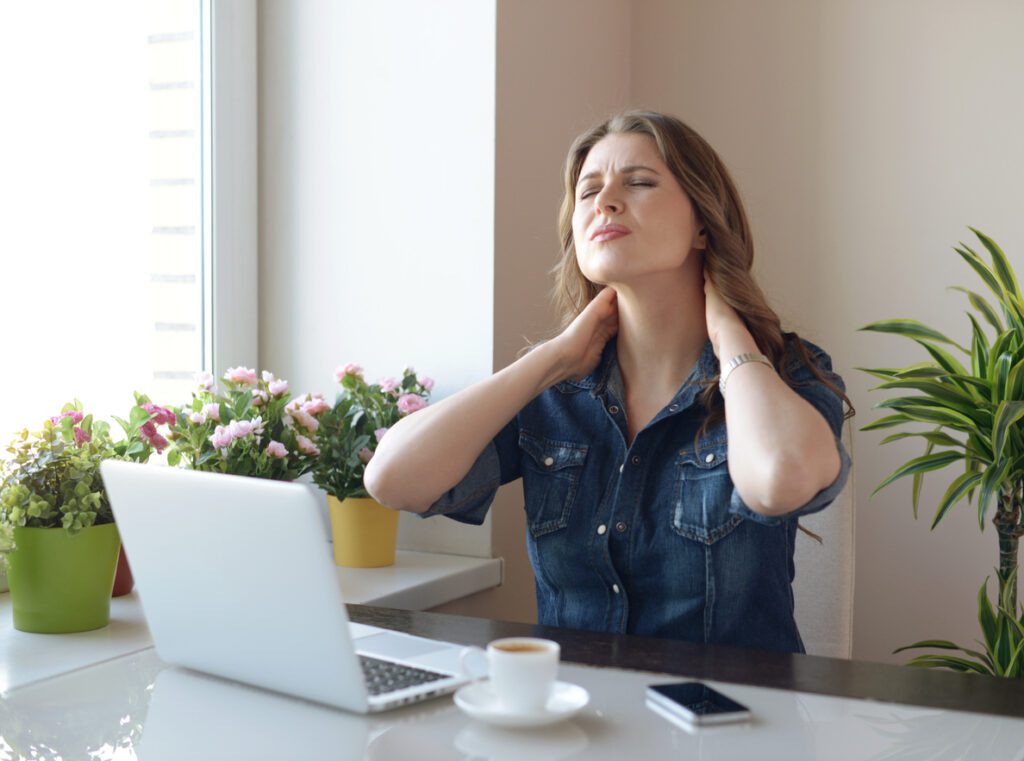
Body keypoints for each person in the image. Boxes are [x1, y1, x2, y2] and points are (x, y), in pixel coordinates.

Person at [364, 111, 853, 654]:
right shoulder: (555, 394)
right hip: (574, 721)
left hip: (733, 727)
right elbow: (392, 479)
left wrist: (730, 336)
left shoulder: (786, 374)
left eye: (639, 182)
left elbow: (780, 479)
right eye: (588, 191)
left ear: (703, 226)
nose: (605, 202)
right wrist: (549, 360)